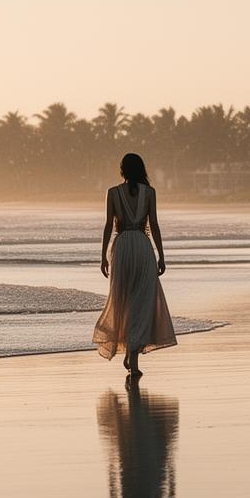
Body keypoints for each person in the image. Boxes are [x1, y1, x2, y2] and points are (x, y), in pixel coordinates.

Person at [92, 153, 177, 376]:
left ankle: (129, 352)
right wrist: (161, 255)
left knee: (123, 301)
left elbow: (108, 226)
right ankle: (133, 358)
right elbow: (154, 225)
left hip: (121, 248)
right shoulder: (149, 193)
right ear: (141, 170)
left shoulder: (112, 193)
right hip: (142, 246)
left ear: (123, 170)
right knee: (142, 303)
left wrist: (103, 256)